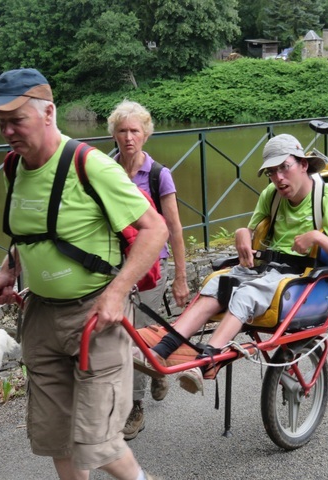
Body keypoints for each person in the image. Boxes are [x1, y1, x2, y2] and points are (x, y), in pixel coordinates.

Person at [0, 68, 167, 480]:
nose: (8, 131)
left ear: (49, 113)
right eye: (2, 123)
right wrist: (7, 271)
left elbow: (156, 230)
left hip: (95, 317)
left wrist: (117, 293)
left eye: (17, 120)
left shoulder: (91, 165)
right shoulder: (13, 167)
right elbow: (29, 233)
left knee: (95, 443)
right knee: (57, 436)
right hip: (41, 317)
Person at [137, 134, 328, 395]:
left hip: (305, 278)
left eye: (284, 167)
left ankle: (209, 360)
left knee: (246, 294)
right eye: (271, 171)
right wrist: (242, 233)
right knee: (216, 285)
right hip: (268, 269)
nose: (278, 177)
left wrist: (318, 238)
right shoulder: (272, 194)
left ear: (303, 164)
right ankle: (162, 350)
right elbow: (254, 230)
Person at [107, 100, 190, 440]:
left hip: (153, 266)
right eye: (122, 131)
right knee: (120, 332)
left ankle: (135, 406)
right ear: (113, 134)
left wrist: (181, 278)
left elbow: (174, 228)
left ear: (146, 135)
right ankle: (154, 371)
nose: (128, 138)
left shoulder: (158, 175)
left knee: (138, 332)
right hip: (114, 264)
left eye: (135, 131)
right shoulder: (103, 170)